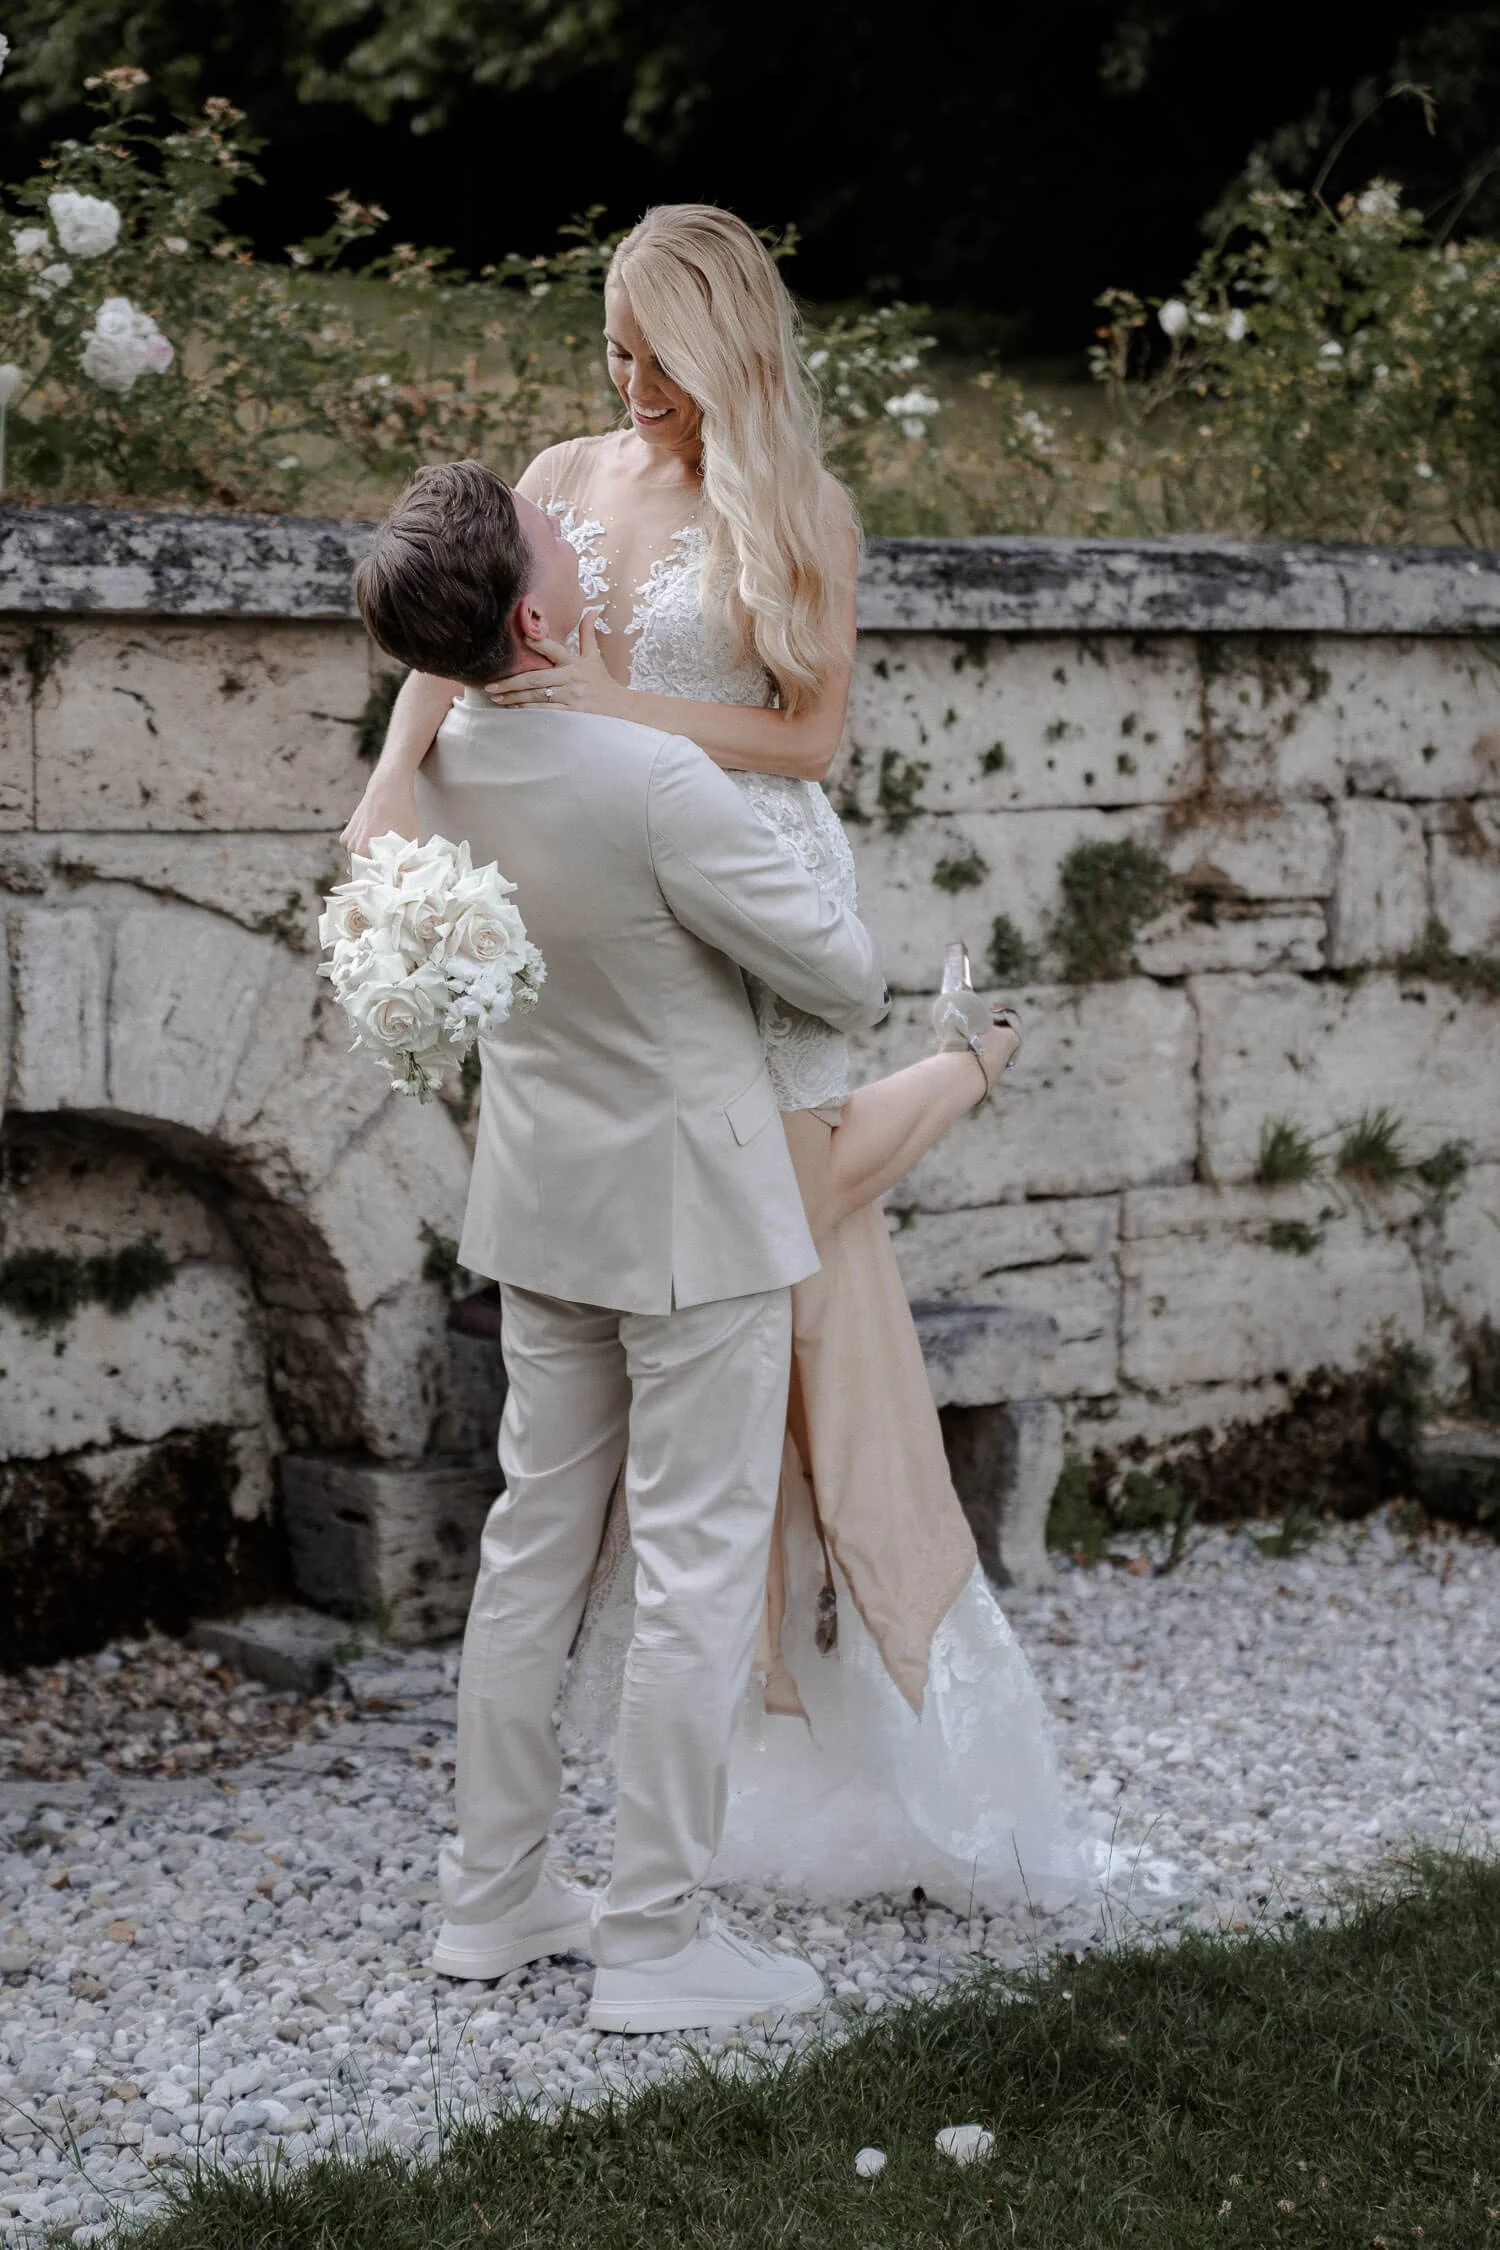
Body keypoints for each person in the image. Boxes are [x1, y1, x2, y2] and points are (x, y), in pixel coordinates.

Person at [344, 206, 1094, 1915]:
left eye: (658, 360)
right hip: (605, 896)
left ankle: (810, 1715)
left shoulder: (798, 508)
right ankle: (763, 1740)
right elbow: (457, 650)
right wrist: (396, 786)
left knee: (792, 1216)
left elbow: (808, 734)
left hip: (746, 878)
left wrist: (612, 716)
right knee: (754, 1269)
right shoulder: (560, 473)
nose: (629, 390)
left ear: (729, 346)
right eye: (613, 353)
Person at [354, 456, 891, 2032]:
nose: (581, 540)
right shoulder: (654, 783)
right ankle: (655, 1936)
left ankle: (493, 1892)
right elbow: (847, 976)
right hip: (697, 1214)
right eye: (555, 540)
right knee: (696, 1561)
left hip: (542, 1201)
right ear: (533, 610)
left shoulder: (442, 765)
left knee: (534, 1544)